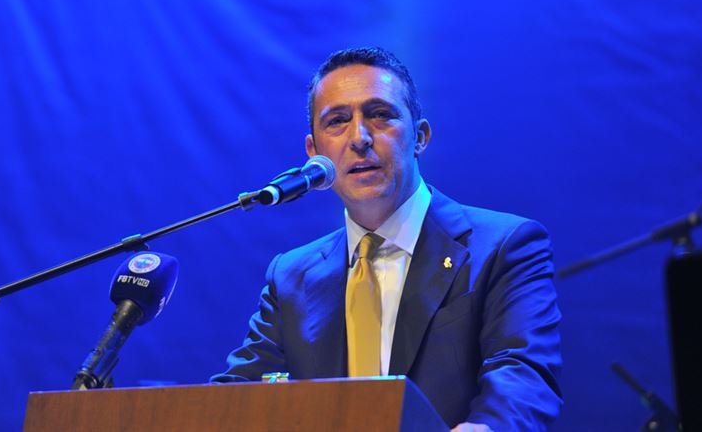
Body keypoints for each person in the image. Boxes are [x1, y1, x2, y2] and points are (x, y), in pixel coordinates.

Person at [211, 47, 562, 431]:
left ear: (420, 137)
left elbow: (522, 375)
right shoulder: (291, 277)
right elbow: (236, 400)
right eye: (337, 121)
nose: (359, 138)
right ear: (314, 153)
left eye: (380, 115)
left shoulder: (504, 246)